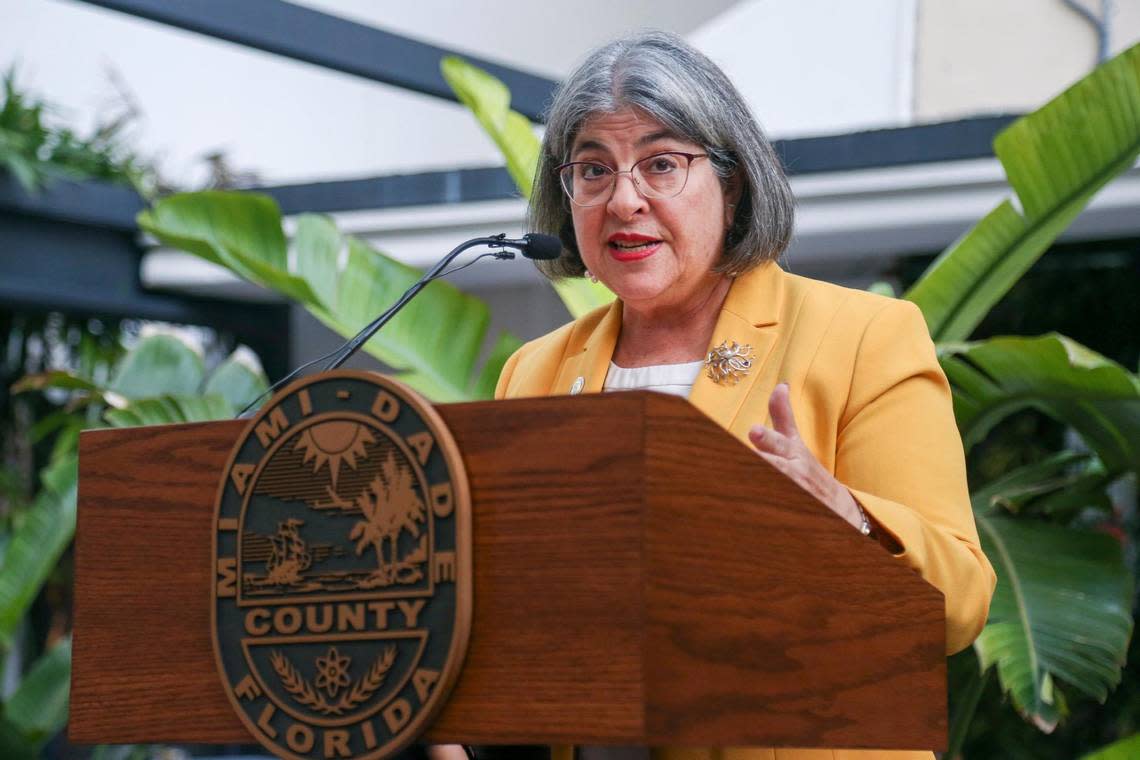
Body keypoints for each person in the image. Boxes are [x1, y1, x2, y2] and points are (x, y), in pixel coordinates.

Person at [489, 30, 996, 760]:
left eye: (661, 164)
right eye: (592, 171)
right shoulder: (533, 373)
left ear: (732, 183)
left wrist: (846, 519)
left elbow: (960, 607)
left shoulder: (865, 336)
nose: (623, 199)